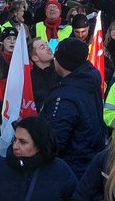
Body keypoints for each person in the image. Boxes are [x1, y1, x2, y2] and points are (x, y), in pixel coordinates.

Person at [40, 37, 106, 176]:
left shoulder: (65, 96)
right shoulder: (88, 80)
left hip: (70, 169)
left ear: (62, 62)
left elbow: (55, 140)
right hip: (90, 164)